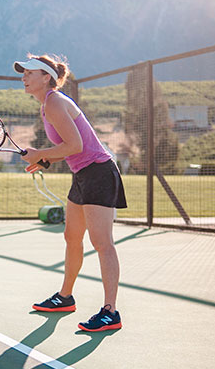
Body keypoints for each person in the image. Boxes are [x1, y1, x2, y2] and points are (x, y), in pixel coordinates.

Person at [13, 54, 127, 332]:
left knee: (102, 243)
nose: (24, 77)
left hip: (99, 172)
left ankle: (111, 312)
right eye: (23, 73)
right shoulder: (47, 105)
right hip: (83, 174)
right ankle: (65, 297)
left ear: (46, 77)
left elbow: (75, 145)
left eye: (30, 72)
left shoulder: (53, 102)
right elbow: (70, 147)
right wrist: (46, 159)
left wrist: (41, 153)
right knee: (71, 236)